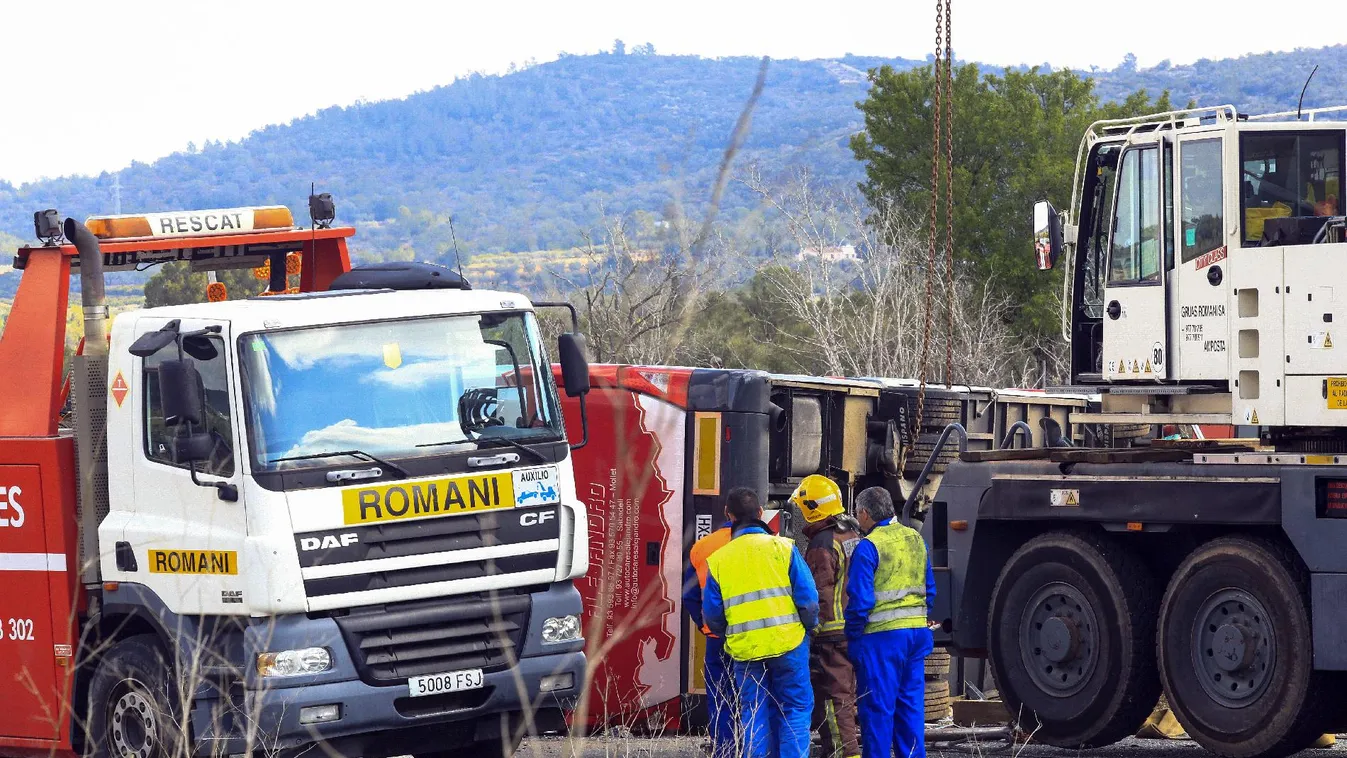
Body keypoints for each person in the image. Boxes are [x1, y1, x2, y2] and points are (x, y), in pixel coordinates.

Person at [704, 487, 819, 758]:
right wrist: (809, 627)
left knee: (753, 711)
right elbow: (809, 600)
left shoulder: (719, 560)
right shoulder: (783, 548)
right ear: (760, 513)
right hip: (789, 645)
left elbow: (712, 615)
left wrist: (730, 633)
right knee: (794, 708)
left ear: (728, 515)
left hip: (746, 651)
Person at [845, 487, 936, 758]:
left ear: (864, 514)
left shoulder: (868, 546)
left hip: (881, 640)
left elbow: (860, 602)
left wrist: (852, 637)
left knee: (878, 710)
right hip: (916, 635)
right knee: (910, 707)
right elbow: (929, 590)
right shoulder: (915, 539)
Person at [792, 475, 862, 758]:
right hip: (855, 627)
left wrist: (812, 629)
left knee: (835, 699)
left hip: (831, 633)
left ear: (812, 507)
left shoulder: (821, 542)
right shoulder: (852, 533)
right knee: (845, 696)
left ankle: (846, 753)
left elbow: (818, 591)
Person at [683, 506, 735, 757]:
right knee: (754, 693)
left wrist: (705, 626)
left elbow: (690, 594)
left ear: (726, 512)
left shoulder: (703, 547)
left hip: (717, 636)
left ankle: (724, 749)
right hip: (760, 637)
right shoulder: (774, 545)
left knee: (720, 694)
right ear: (759, 512)